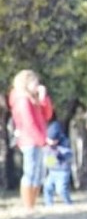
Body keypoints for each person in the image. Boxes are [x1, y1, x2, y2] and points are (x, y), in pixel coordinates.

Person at [9, 70, 54, 211]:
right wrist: (42, 140)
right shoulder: (22, 100)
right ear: (26, 83)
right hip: (29, 140)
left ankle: (32, 204)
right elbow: (29, 123)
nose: (37, 85)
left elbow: (47, 115)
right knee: (30, 171)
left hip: (38, 140)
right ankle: (28, 205)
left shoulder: (33, 100)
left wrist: (43, 98)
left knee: (38, 173)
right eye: (34, 81)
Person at [42, 121, 73, 206]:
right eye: (49, 139)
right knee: (47, 187)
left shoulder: (64, 145)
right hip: (52, 171)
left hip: (62, 171)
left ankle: (68, 203)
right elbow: (47, 159)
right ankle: (48, 204)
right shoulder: (47, 146)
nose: (50, 142)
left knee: (61, 190)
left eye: (53, 140)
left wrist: (59, 155)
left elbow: (68, 155)